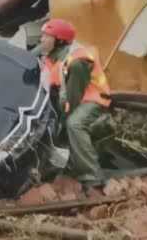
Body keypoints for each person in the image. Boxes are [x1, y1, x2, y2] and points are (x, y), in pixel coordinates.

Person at [40, 19, 111, 187]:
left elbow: (73, 100)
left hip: (93, 99)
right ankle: (66, 166)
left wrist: (61, 122)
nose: (41, 39)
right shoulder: (52, 56)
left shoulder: (77, 62)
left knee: (74, 124)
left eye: (46, 36)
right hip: (72, 97)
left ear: (59, 40)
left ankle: (91, 177)